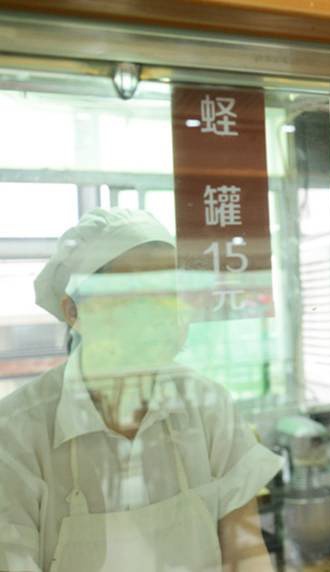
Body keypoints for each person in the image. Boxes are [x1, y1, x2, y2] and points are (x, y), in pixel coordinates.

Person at [0, 209, 282, 571]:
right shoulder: (17, 433)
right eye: (134, 294)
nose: (161, 313)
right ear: (74, 311)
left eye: (170, 292)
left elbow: (244, 551)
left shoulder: (206, 404)